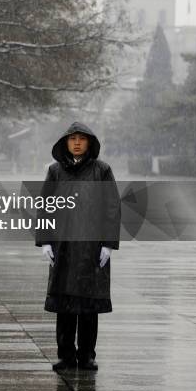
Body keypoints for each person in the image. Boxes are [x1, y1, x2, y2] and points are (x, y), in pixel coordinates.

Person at [36, 122, 121, 372]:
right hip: (63, 247)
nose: (76, 143)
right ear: (65, 142)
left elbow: (112, 207)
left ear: (89, 142)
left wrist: (107, 244)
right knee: (64, 305)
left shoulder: (102, 171)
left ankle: (86, 356)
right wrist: (45, 241)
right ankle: (65, 355)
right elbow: (46, 205)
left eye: (81, 139)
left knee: (88, 305)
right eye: (72, 138)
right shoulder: (55, 172)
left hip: (91, 248)